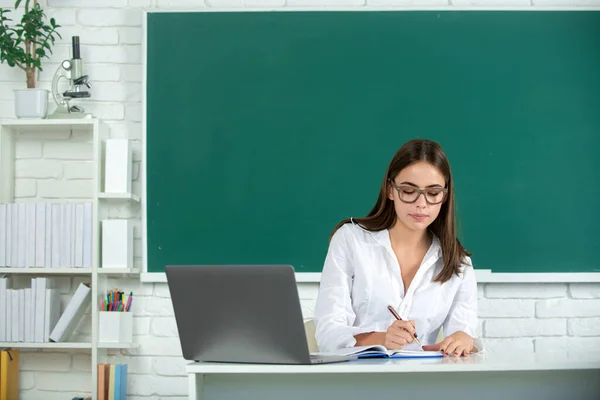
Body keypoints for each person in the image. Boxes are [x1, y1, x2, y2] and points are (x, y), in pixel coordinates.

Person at [313, 139, 482, 357]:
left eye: (433, 193)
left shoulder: (458, 262)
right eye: (409, 190)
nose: (421, 203)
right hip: (356, 378)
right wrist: (381, 339)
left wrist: (464, 340)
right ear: (391, 190)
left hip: (422, 381)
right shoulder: (351, 240)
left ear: (445, 196)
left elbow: (464, 337)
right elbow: (328, 335)